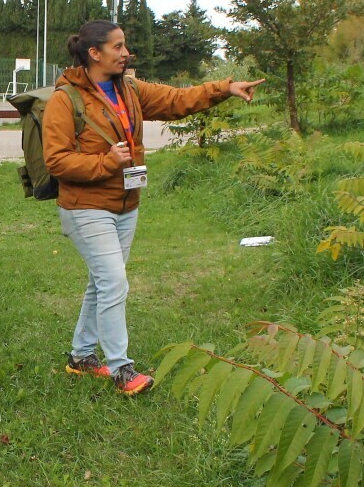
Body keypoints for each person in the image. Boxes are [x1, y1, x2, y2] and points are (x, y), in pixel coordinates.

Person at [43, 20, 264, 396]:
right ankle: (121, 369)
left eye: (124, 45)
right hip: (86, 207)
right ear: (94, 53)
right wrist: (106, 164)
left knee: (103, 283)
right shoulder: (66, 100)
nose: (125, 52)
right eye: (117, 47)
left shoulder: (128, 89)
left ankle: (81, 357)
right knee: (114, 282)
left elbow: (177, 100)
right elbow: (56, 160)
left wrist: (224, 88)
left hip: (126, 204)